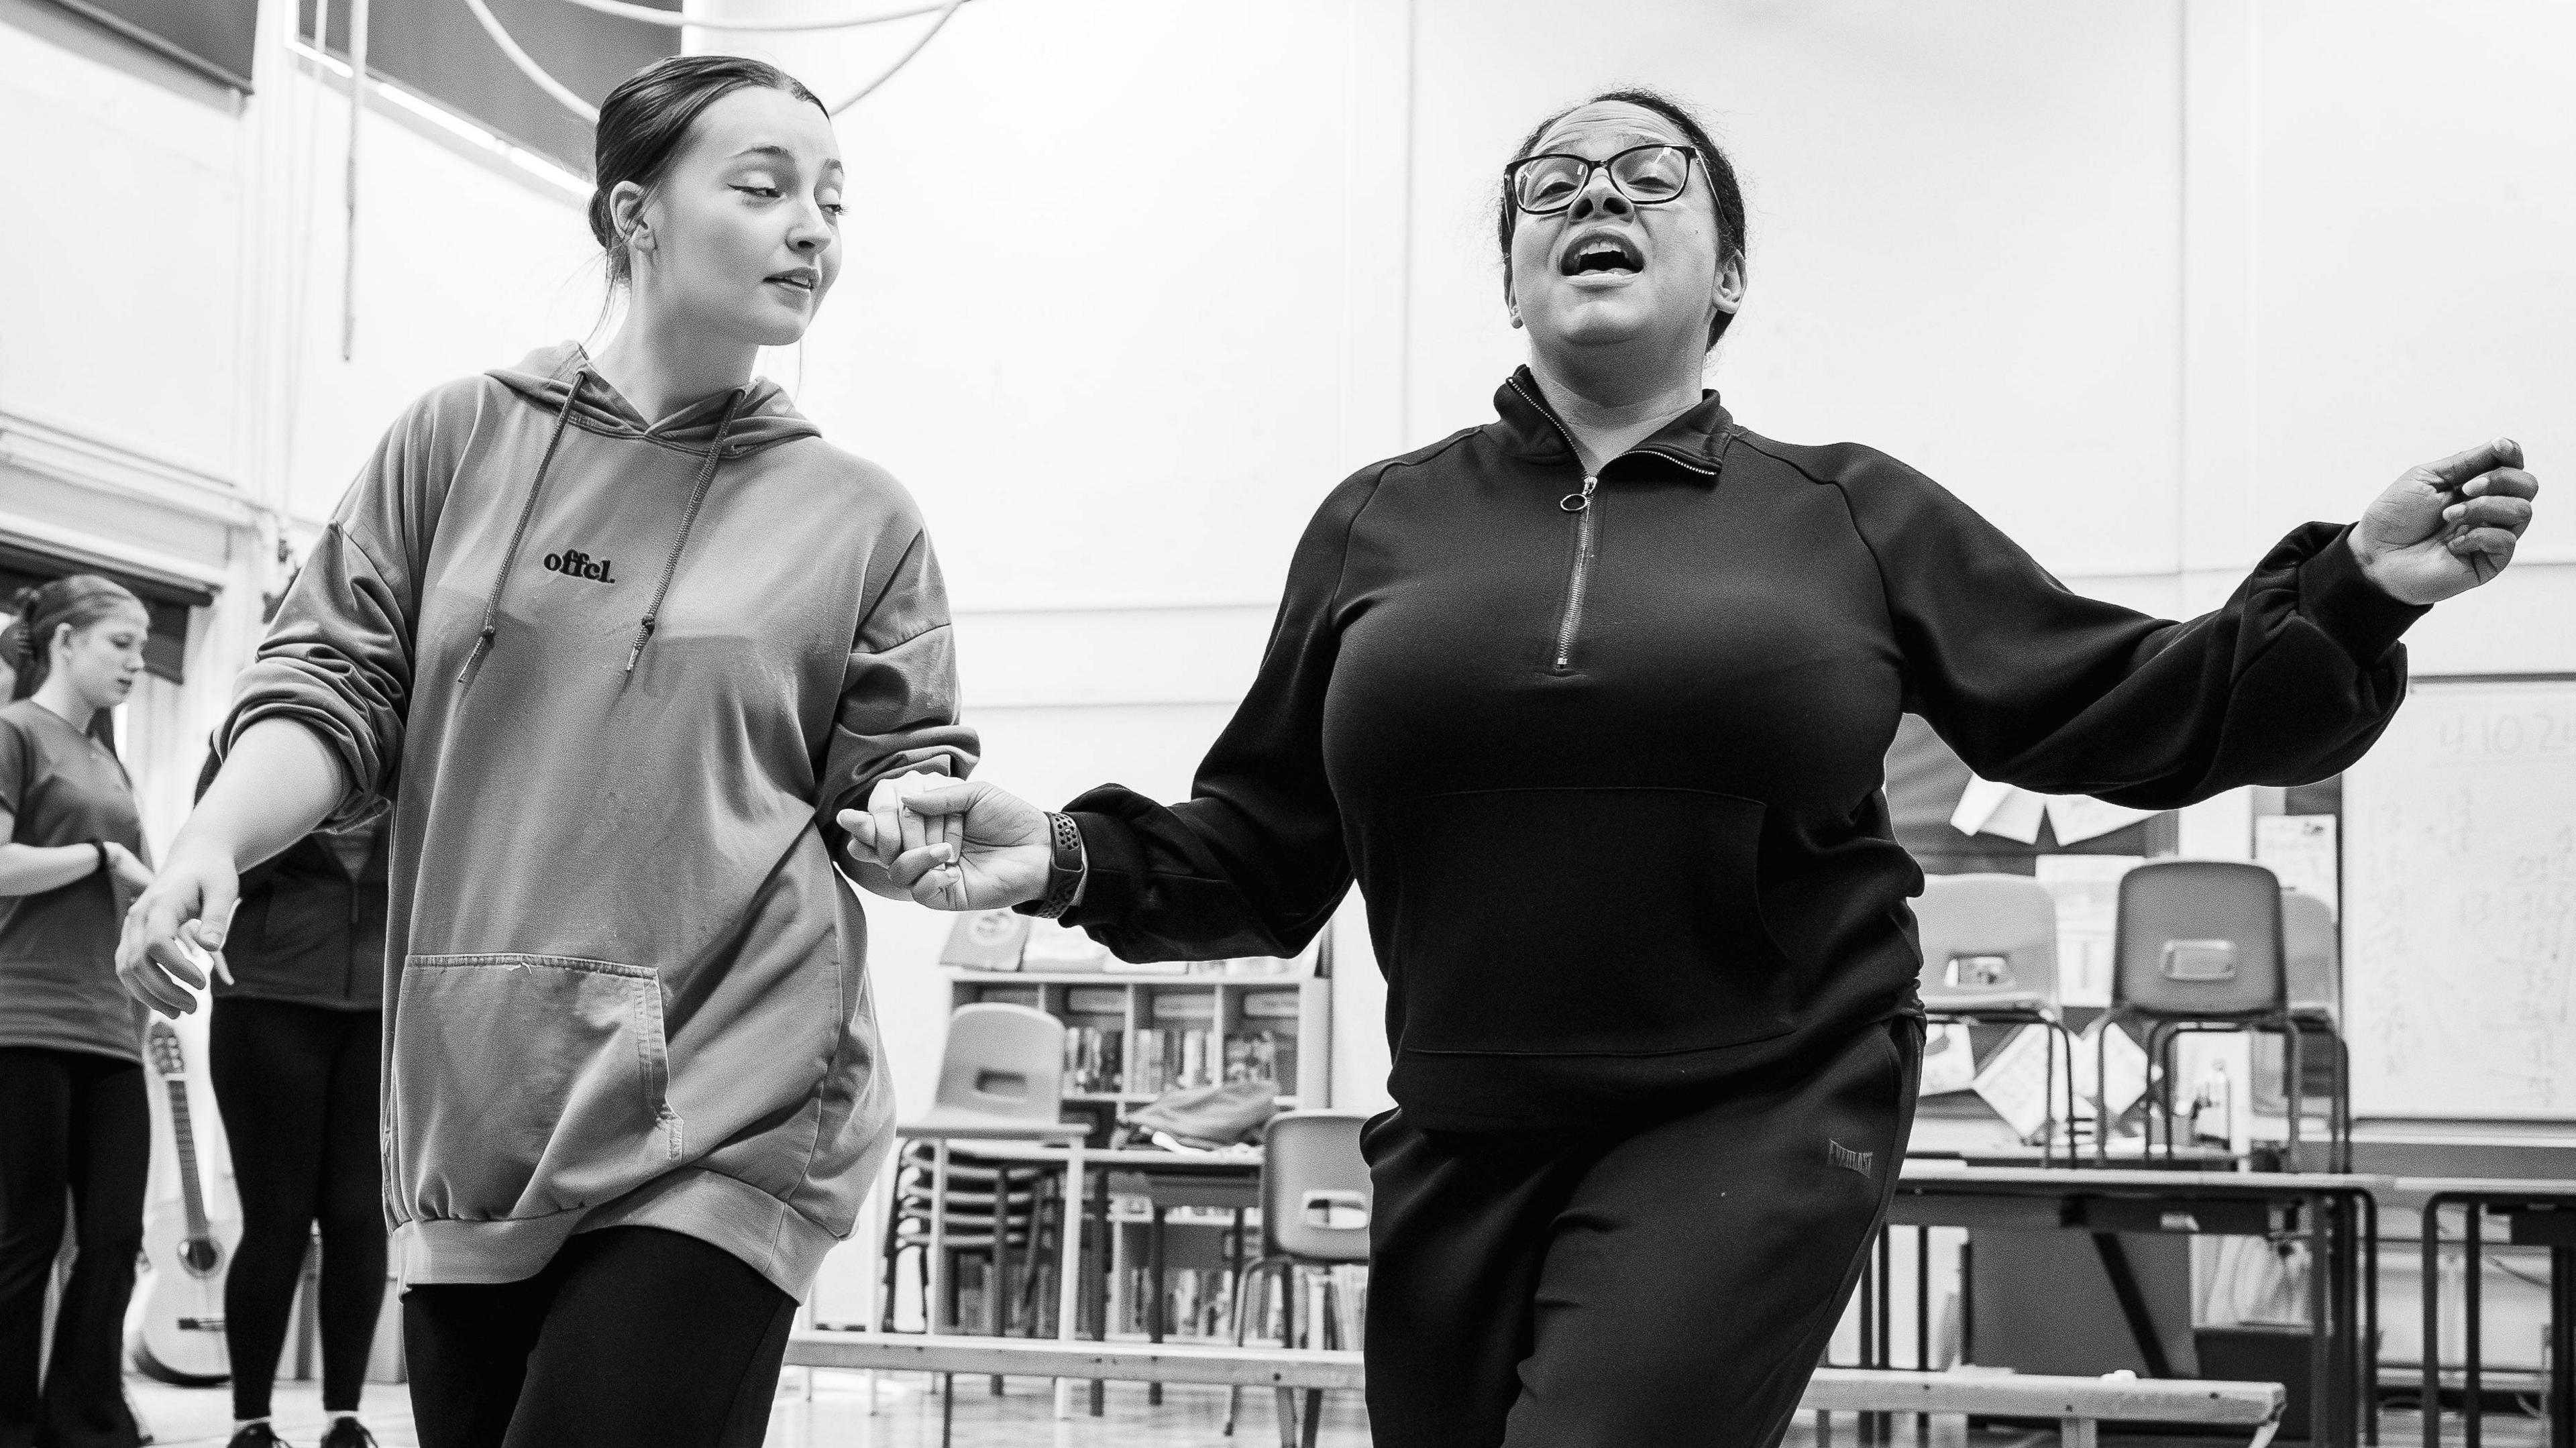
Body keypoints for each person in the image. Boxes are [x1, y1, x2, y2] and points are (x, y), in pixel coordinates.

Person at [847, 89, 2541, 1448]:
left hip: (1758, 1104)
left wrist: (2349, 589)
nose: (1596, 192)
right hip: (1464, 1124)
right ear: (1510, 274)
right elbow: (1270, 844)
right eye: (1548, 180)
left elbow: (2118, 701)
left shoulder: (1846, 510)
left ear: (1725, 275)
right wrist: (1059, 851)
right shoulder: (1378, 519)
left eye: (1651, 174)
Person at [116, 54, 974, 1448]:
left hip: (732, 1099)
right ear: (633, 215)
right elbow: (331, 680)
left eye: (832, 198)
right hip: (479, 1101)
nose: (813, 227)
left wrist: (908, 813)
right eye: (763, 189)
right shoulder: (454, 441)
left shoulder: (859, 516)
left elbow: (895, 765)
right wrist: (212, 836)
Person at [191, 741, 390, 1448]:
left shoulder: (419, 737)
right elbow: (223, 854)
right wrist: (311, 797)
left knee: (359, 1214)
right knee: (276, 1214)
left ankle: (345, 1416)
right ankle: (252, 1421)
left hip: (382, 1004)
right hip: (267, 996)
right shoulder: (250, 745)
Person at [0, 575, 156, 1448]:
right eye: (121, 642)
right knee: (27, 1238)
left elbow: (140, 881)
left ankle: (86, 1421)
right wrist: (101, 852)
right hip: (24, 1018)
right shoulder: (16, 732)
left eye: (142, 643)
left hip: (112, 1026)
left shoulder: (110, 758)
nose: (139, 659)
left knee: (113, 1235)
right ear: (64, 642)